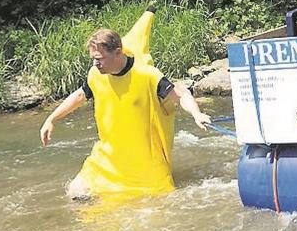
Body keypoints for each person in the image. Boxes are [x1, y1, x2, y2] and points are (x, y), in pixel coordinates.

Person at [40, 27, 212, 198]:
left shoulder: (146, 75)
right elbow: (79, 95)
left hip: (146, 163)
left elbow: (180, 93)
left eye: (99, 59)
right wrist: (52, 119)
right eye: (93, 59)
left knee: (156, 206)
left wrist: (197, 114)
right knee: (75, 194)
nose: (95, 64)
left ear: (117, 53)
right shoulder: (95, 74)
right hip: (108, 158)